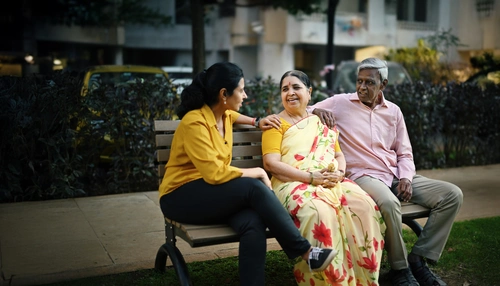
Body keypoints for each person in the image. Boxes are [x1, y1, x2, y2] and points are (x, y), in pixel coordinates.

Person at [158, 62, 337, 286]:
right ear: (224, 94)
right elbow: (214, 173)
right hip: (181, 196)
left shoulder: (222, 115)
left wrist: (256, 121)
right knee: (253, 187)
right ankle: (307, 252)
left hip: (211, 194)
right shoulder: (195, 123)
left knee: (252, 222)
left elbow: (233, 116)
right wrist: (258, 172)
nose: (245, 95)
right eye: (241, 90)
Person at [310, 58, 463, 286]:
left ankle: (418, 259)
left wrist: (405, 178)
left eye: (369, 82)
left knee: (452, 195)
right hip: (363, 176)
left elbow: (405, 152)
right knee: (390, 204)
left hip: (392, 174)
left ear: (383, 84)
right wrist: (317, 111)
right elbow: (301, 109)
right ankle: (400, 270)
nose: (362, 87)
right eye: (359, 81)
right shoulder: (340, 103)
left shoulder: (394, 112)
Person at [262, 70, 386, 285]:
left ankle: (361, 280)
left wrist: (339, 173)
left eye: (296, 87)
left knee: (364, 206)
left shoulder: (320, 121)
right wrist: (311, 178)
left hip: (330, 181)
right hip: (293, 183)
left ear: (309, 93)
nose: (290, 93)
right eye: (285, 89)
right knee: (319, 212)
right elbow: (271, 164)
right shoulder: (276, 124)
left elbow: (338, 154)